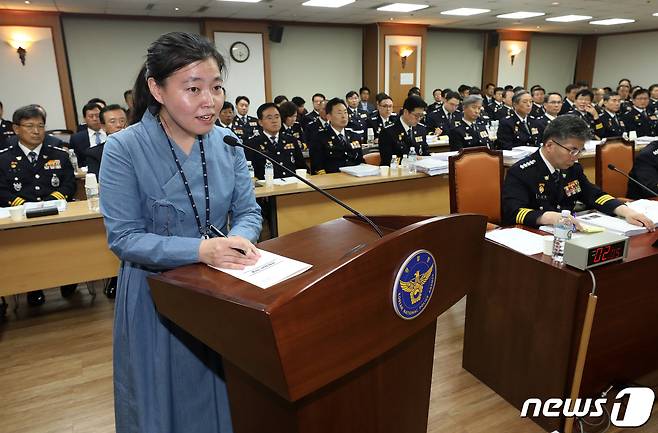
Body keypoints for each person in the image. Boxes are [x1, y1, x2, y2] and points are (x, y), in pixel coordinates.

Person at [99, 32, 262, 433]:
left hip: (220, 286)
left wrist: (238, 240)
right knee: (163, 401)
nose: (210, 101)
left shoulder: (228, 142)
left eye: (216, 87)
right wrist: (202, 250)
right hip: (156, 293)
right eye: (193, 89)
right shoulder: (124, 148)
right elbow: (124, 238)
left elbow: (248, 212)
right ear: (157, 89)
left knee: (223, 391)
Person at [502, 115, 653, 229]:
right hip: (534, 237)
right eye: (573, 150)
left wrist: (626, 212)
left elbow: (594, 195)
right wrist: (547, 217)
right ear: (549, 145)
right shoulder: (522, 171)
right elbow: (512, 212)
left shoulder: (573, 168)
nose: (577, 157)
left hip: (569, 232)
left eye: (580, 151)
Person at [0, 105, 77, 306]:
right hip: (20, 217)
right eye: (30, 126)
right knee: (25, 251)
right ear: (16, 129)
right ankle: (33, 288)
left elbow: (69, 183)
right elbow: (2, 189)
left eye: (41, 126)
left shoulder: (59, 154)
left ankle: (69, 279)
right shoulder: (4, 158)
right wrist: (24, 206)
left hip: (57, 214)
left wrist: (54, 200)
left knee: (67, 245)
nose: (36, 131)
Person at [244, 103, 307, 179]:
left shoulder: (291, 140)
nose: (274, 121)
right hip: (267, 188)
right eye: (269, 118)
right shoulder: (251, 144)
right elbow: (250, 174)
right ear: (260, 122)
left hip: (292, 186)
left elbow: (302, 167)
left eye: (277, 117)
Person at [309, 97, 364, 174]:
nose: (343, 116)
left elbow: (360, 162)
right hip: (332, 180)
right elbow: (318, 167)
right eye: (339, 113)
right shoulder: (319, 138)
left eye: (345, 112)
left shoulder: (354, 136)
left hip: (354, 178)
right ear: (329, 117)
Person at [378, 95, 428, 166]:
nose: (419, 118)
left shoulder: (421, 129)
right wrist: (411, 160)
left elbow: (425, 152)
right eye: (416, 115)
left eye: (421, 115)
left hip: (419, 170)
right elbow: (387, 159)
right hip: (396, 172)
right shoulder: (388, 132)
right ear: (406, 112)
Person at [70, 102, 106, 167]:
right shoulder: (77, 138)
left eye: (97, 116)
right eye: (91, 116)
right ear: (84, 119)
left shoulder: (110, 133)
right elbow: (78, 162)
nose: (95, 119)